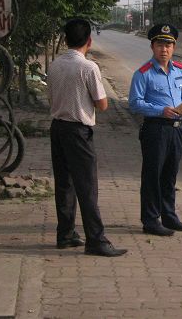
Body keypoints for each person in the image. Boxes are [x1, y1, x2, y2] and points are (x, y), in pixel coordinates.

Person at [47, 18, 126, 257]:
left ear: (66, 39)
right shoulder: (89, 67)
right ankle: (96, 239)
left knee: (64, 184)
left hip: (57, 127)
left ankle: (66, 233)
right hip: (78, 131)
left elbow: (51, 95)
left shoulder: (54, 65)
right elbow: (102, 104)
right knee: (87, 186)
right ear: (89, 41)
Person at [128, 23, 182, 237]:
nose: (164, 49)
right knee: (152, 176)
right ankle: (150, 220)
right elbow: (135, 103)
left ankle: (169, 215)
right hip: (155, 130)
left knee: (169, 175)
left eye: (168, 45)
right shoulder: (143, 73)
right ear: (152, 47)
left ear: (173, 48)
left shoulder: (180, 71)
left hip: (176, 129)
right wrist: (159, 110)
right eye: (159, 45)